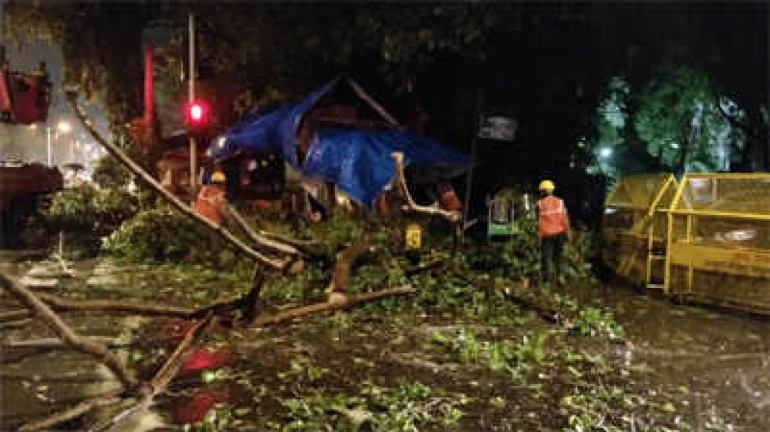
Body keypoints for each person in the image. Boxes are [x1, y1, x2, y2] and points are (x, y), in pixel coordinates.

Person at [537, 179, 571, 286]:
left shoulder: (539, 204)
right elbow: (565, 218)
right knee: (559, 256)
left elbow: (536, 220)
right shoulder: (560, 202)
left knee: (546, 257)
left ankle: (547, 280)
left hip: (547, 235)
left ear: (542, 191)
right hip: (560, 234)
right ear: (552, 190)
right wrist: (568, 232)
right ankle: (560, 277)